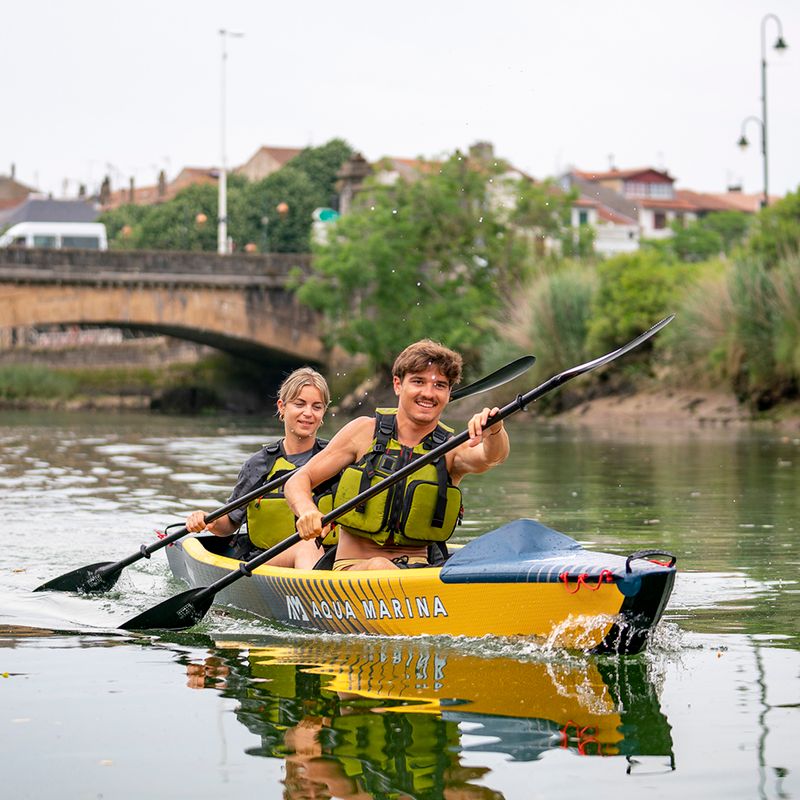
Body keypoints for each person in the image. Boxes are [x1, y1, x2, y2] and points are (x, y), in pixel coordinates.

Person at [284, 340, 509, 570]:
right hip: (353, 569)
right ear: (397, 384)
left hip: (418, 573)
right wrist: (307, 510)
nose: (428, 393)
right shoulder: (363, 432)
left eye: (440, 385)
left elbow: (492, 457)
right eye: (418, 382)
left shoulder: (451, 449)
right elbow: (298, 481)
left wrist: (495, 429)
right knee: (380, 566)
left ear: (449, 393)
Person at [185, 367, 333, 570]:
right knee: (307, 545)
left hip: (328, 562)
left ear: (324, 412)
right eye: (299, 404)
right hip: (268, 561)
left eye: (317, 407)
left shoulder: (335, 458)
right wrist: (207, 520)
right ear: (282, 407)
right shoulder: (259, 465)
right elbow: (230, 522)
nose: (308, 413)